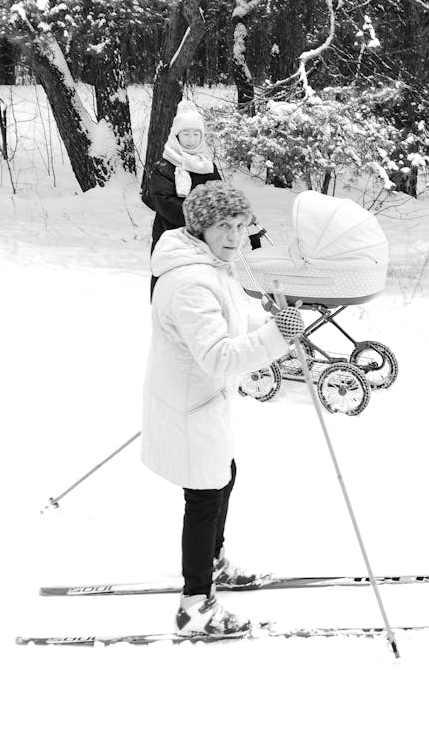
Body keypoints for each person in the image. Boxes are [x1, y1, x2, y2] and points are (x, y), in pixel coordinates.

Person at [141, 180, 304, 637]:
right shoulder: (191, 281)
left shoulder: (211, 267)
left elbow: (234, 319)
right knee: (205, 496)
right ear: (200, 227)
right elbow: (219, 355)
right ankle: (195, 606)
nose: (234, 236)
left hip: (203, 401)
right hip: (194, 403)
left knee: (223, 476)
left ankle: (213, 564)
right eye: (222, 226)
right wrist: (278, 337)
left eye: (239, 225)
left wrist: (272, 323)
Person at [144, 102, 266, 295]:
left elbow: (220, 197)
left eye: (195, 134)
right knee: (173, 287)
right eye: (186, 134)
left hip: (207, 240)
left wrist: (239, 215)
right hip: (173, 236)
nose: (191, 140)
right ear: (176, 136)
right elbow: (163, 202)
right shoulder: (165, 167)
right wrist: (205, 215)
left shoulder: (206, 165)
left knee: (205, 288)